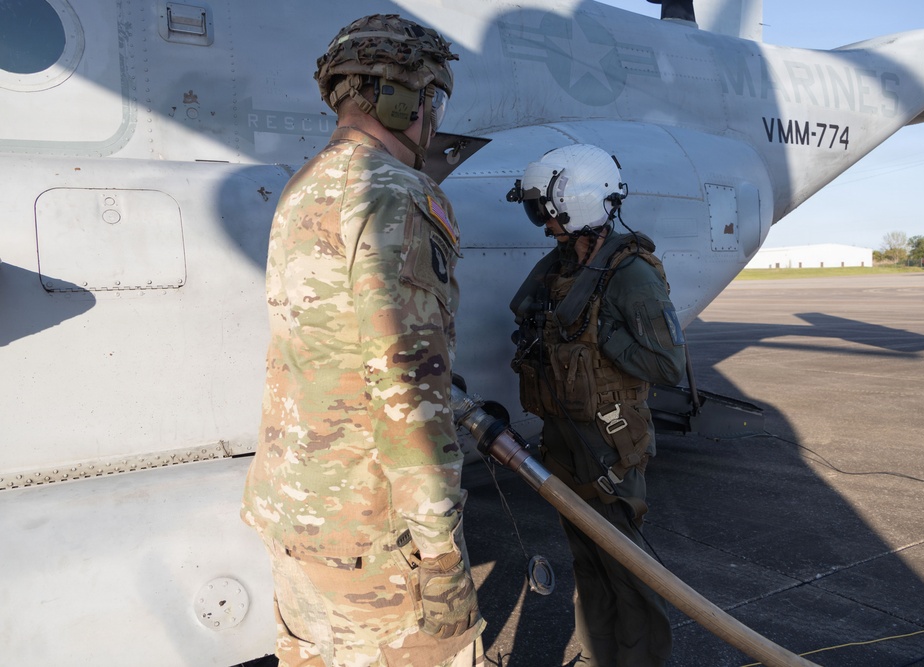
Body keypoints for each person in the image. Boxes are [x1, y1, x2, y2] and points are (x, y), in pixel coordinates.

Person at [241, 14, 484, 667]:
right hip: (373, 551)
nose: (433, 117)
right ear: (409, 98)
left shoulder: (303, 188)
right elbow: (409, 394)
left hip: (296, 531)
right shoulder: (396, 195)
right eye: (433, 99)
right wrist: (439, 559)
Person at [507, 144, 687, 666]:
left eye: (548, 212)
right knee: (587, 561)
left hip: (608, 441)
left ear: (578, 202)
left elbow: (668, 365)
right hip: (564, 437)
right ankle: (602, 655)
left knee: (626, 567)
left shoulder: (631, 275)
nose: (544, 226)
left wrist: (605, 339)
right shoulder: (565, 266)